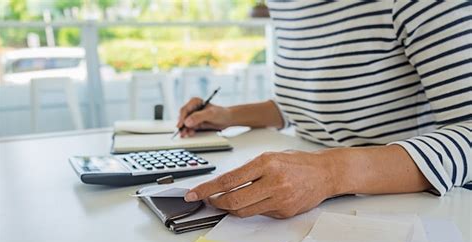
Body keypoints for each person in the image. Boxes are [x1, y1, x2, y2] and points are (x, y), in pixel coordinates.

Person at [178, 0, 471, 219]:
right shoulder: (284, 5)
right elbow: (308, 104)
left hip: (414, 212)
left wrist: (330, 173)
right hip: (325, 211)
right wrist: (229, 116)